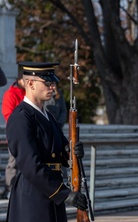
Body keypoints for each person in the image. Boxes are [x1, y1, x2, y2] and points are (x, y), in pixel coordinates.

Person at [5, 61, 87, 222]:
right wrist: (63, 193)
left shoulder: (47, 115)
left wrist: (72, 152)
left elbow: (60, 151)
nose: (53, 87)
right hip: (32, 197)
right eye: (47, 83)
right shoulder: (20, 118)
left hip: (51, 192)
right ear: (30, 83)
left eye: (53, 82)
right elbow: (31, 165)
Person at [1, 73, 25, 199]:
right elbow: (8, 114)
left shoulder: (27, 93)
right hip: (15, 132)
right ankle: (9, 188)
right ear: (21, 79)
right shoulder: (11, 94)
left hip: (27, 133)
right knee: (13, 162)